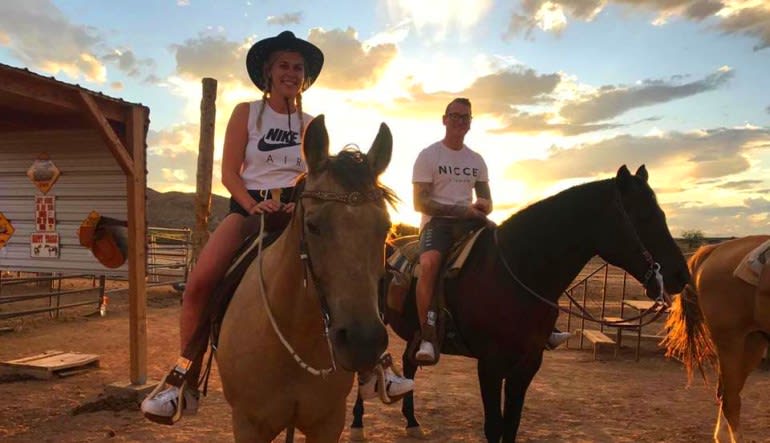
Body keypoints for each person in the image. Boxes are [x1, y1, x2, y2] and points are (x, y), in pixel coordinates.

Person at [141, 30, 412, 424]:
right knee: (201, 282)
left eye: (297, 67)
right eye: (283, 65)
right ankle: (183, 378)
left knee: (360, 266)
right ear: (268, 73)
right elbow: (230, 172)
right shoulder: (246, 113)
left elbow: (319, 176)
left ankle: (376, 367)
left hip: (302, 209)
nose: (291, 72)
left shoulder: (310, 124)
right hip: (251, 210)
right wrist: (253, 205)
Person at [411, 98, 571, 363]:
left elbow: (487, 199)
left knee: (515, 252)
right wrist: (462, 211)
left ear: (470, 123)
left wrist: (483, 206)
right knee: (429, 264)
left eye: (466, 118)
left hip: (472, 221)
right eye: (455, 116)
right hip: (437, 224)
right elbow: (421, 202)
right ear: (444, 119)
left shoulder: (476, 160)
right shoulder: (429, 155)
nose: (460, 121)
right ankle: (428, 336)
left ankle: (543, 326)